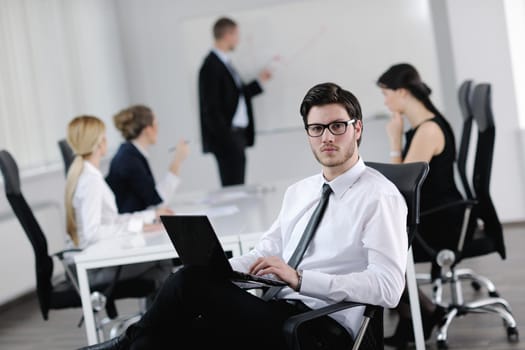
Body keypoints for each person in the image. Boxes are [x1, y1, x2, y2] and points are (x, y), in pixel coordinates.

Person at [79, 82, 408, 350]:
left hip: (320, 328)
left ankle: (122, 344)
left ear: (357, 128)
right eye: (317, 128)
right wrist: (220, 269)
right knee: (172, 329)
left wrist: (301, 279)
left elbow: (389, 287)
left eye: (337, 126)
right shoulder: (301, 192)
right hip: (276, 311)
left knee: (187, 283)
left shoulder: (379, 196)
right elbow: (266, 251)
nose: (327, 137)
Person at [377, 63, 464, 347]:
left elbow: (402, 188)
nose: (385, 101)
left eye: (386, 94)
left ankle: (426, 312)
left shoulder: (427, 131)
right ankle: (413, 316)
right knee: (379, 239)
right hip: (434, 212)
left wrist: (393, 141)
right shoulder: (422, 126)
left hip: (439, 220)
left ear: (402, 93)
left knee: (379, 246)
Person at [64, 116, 172, 294]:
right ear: (99, 143)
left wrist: (149, 218)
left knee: (157, 261)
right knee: (163, 260)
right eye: (104, 137)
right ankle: (156, 319)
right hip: (90, 269)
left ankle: (153, 316)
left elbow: (110, 221)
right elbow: (93, 233)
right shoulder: (90, 181)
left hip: (90, 260)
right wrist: (139, 227)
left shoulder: (87, 175)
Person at [198, 16, 272, 187]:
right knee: (233, 188)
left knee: (238, 185)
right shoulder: (211, 66)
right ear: (227, 35)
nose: (238, 39)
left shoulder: (224, 63)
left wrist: (259, 82)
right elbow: (210, 109)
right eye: (236, 35)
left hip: (236, 136)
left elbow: (235, 96)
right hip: (227, 138)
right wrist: (226, 138)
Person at [106, 104, 190, 214]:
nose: (158, 128)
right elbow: (157, 201)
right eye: (156, 124)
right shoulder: (129, 159)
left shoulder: (130, 153)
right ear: (148, 129)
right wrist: (178, 160)